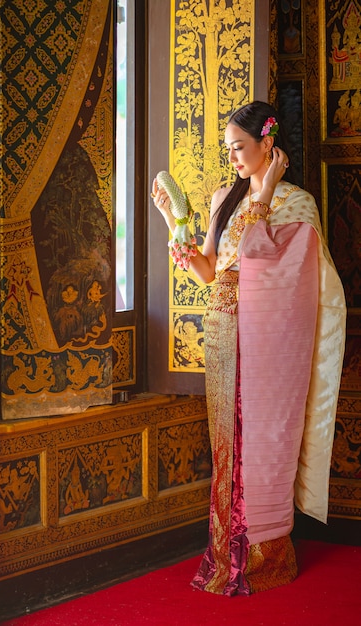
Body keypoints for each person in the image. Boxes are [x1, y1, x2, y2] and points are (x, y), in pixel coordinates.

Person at [151, 101, 346, 596]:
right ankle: (223, 553)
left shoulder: (295, 202)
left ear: (268, 142)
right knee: (225, 443)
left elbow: (274, 266)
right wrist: (174, 222)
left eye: (239, 147)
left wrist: (263, 195)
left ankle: (263, 557)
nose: (232, 157)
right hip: (221, 327)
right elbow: (210, 270)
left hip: (270, 338)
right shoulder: (223, 197)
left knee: (264, 441)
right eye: (228, 149)